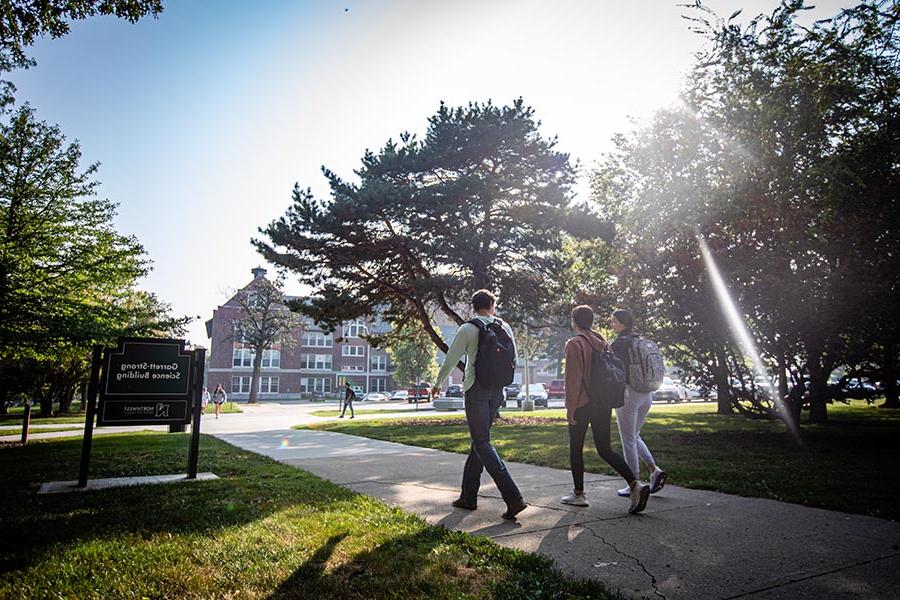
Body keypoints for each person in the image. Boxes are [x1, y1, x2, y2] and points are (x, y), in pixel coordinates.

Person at [431, 289, 528, 520]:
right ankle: (468, 497)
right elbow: (513, 358)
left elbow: (451, 359)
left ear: (474, 306)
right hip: (497, 391)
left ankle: (514, 498)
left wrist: (437, 383)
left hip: (476, 389)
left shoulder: (468, 328)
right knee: (479, 441)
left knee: (482, 442)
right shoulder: (504, 327)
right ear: (492, 305)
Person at [560, 305, 650, 514]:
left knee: (576, 448)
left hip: (582, 403)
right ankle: (635, 485)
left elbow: (572, 379)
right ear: (591, 321)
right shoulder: (603, 343)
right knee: (605, 449)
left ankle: (579, 494)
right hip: (602, 402)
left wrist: (570, 408)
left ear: (574, 321)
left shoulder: (574, 344)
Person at [610, 309, 667, 497]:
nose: (612, 324)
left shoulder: (619, 344)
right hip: (647, 393)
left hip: (629, 394)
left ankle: (633, 483)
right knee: (634, 435)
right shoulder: (640, 340)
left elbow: (616, 371)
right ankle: (654, 470)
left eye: (614, 321)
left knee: (628, 440)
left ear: (622, 323)